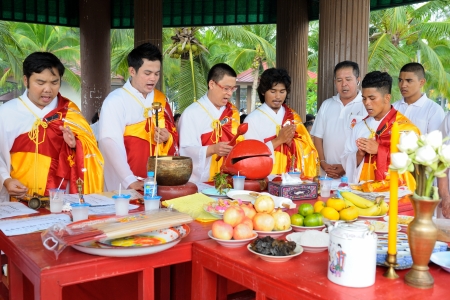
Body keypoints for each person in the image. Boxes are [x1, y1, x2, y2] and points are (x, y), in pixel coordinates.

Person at [0, 52, 103, 202]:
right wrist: (6, 180)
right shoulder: (6, 113)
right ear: (25, 80)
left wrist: (75, 145)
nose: (48, 89)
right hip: (17, 199)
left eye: (54, 82)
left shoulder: (70, 113)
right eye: (40, 83)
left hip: (60, 200)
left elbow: (91, 153)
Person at [99, 43, 178, 191]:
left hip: (158, 180)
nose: (153, 78)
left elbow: (173, 135)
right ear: (132, 71)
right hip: (127, 182)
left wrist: (167, 138)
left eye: (156, 73)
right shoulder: (116, 100)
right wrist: (130, 180)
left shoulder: (161, 99)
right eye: (147, 73)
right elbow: (109, 142)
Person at [341, 71, 420, 189]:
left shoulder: (406, 129)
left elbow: (415, 166)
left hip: (396, 194)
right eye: (364, 98)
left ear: (387, 98)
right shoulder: (360, 126)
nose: (367, 103)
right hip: (364, 195)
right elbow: (346, 158)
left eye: (372, 98)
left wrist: (379, 150)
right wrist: (359, 155)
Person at [243, 68, 318, 176]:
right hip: (266, 178)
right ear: (263, 91)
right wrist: (279, 140)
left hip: (293, 178)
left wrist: (293, 143)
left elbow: (307, 148)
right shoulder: (251, 120)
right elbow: (250, 155)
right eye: (273, 91)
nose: (278, 96)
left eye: (282, 92)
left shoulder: (293, 116)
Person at [179, 63, 241, 183]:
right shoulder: (191, 113)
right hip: (202, 182)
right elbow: (185, 152)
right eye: (226, 88)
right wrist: (212, 149)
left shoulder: (233, 112)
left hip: (230, 179)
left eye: (233, 89)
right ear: (211, 84)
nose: (230, 93)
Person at [310, 61, 367, 179]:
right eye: (339, 80)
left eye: (348, 79)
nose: (344, 84)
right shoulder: (327, 104)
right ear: (335, 82)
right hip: (327, 173)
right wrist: (323, 163)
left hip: (355, 175)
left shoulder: (366, 105)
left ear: (358, 79)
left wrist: (346, 166)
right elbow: (317, 137)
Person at [392, 62, 444, 134]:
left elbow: (435, 142)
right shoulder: (393, 108)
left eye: (409, 80)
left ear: (421, 82)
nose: (403, 85)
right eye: (400, 80)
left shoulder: (434, 110)